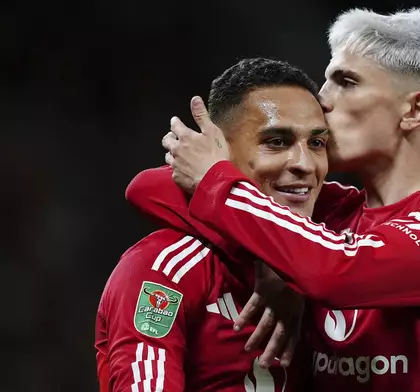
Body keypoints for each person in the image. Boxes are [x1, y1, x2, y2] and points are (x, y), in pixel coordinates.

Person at [158, 7, 420, 392]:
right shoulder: (334, 213)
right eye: (326, 81)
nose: (322, 100)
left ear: (415, 110)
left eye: (346, 82)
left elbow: (335, 270)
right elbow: (149, 189)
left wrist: (279, 250)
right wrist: (269, 251)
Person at [95, 58, 329, 391]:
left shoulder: (329, 259)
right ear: (217, 151)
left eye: (317, 144)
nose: (305, 165)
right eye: (276, 142)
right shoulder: (161, 269)